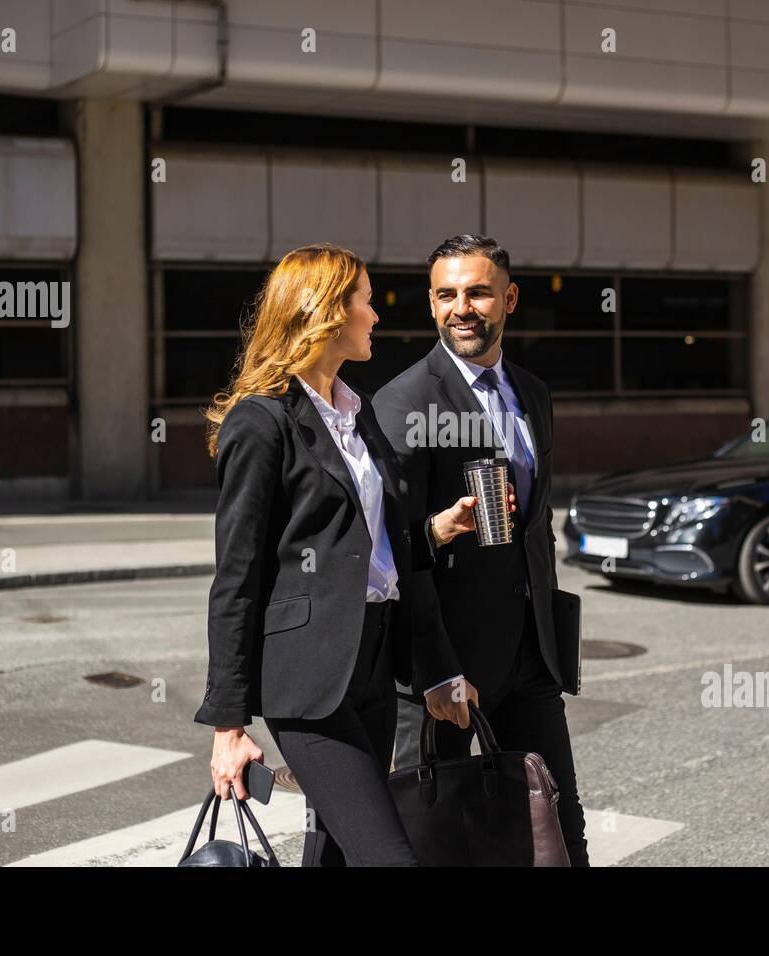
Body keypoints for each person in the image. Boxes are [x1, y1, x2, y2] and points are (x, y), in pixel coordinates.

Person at [194, 243, 502, 866]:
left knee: (334, 854)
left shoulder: (358, 416)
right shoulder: (262, 422)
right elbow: (237, 577)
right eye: (365, 300)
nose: (376, 316)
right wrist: (228, 727)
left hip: (373, 670)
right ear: (329, 312)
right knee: (390, 858)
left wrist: (438, 667)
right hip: (309, 683)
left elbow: (392, 561)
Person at [372, 234, 590, 867]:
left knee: (556, 827)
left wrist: (549, 634)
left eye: (477, 292)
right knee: (435, 837)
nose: (461, 307)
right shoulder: (404, 401)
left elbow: (536, 526)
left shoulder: (534, 395)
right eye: (446, 294)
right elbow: (394, 556)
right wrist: (434, 669)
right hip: (446, 670)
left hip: (530, 661)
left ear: (510, 299)